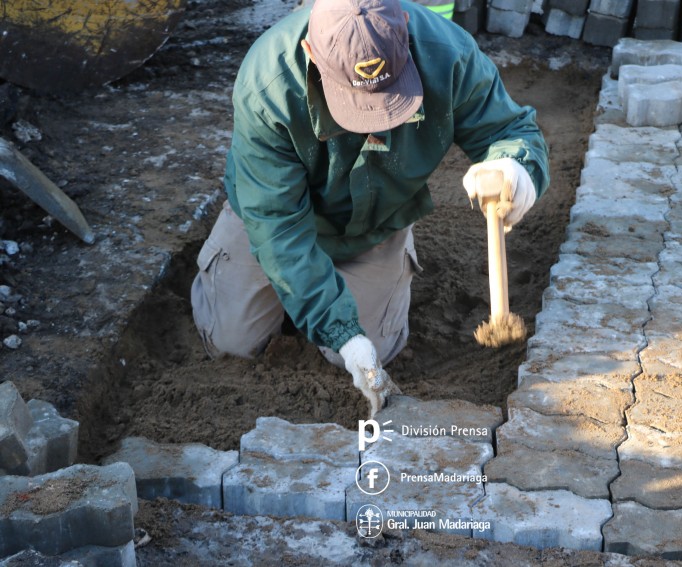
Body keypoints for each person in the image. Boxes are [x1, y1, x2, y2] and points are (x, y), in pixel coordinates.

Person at [191, 0, 549, 416]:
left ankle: (347, 289)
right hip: (278, 215)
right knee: (231, 343)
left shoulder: (448, 54)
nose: (377, 125)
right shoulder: (268, 85)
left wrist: (515, 169)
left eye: (390, 97)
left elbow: (508, 128)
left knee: (374, 351)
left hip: (376, 221)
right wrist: (343, 332)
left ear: (406, 30)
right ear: (311, 53)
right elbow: (277, 226)